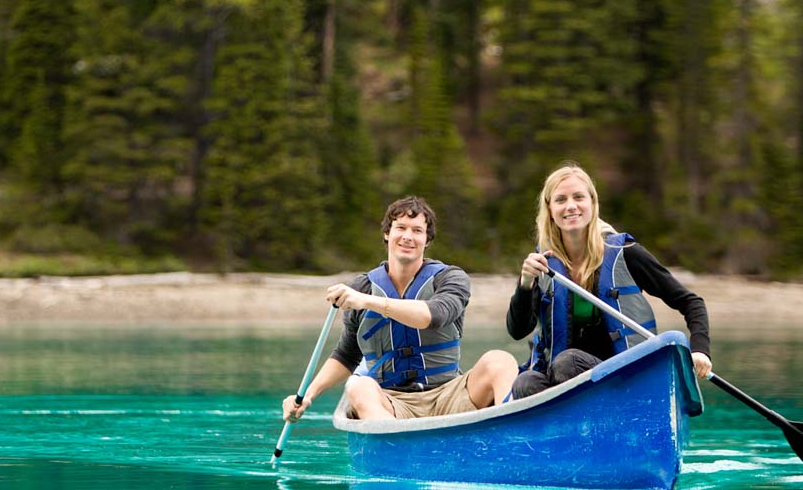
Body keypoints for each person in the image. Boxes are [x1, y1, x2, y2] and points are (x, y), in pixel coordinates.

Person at [282, 196, 519, 422]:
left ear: (427, 240)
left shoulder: (451, 278)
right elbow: (347, 355)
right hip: (393, 402)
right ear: (387, 234)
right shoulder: (363, 287)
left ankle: (508, 435)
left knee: (500, 360)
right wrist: (307, 396)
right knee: (358, 386)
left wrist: (367, 301)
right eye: (401, 228)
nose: (408, 236)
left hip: (448, 394)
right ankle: (396, 444)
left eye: (417, 231)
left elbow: (433, 315)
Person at [507, 163, 712, 400]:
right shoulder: (542, 264)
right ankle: (564, 432)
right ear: (550, 210)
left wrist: (700, 351)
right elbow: (517, 330)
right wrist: (525, 283)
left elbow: (691, 302)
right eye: (561, 199)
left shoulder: (625, 253)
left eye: (578, 197)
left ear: (592, 204)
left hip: (624, 375)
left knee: (567, 362)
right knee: (525, 382)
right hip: (562, 378)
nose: (571, 206)